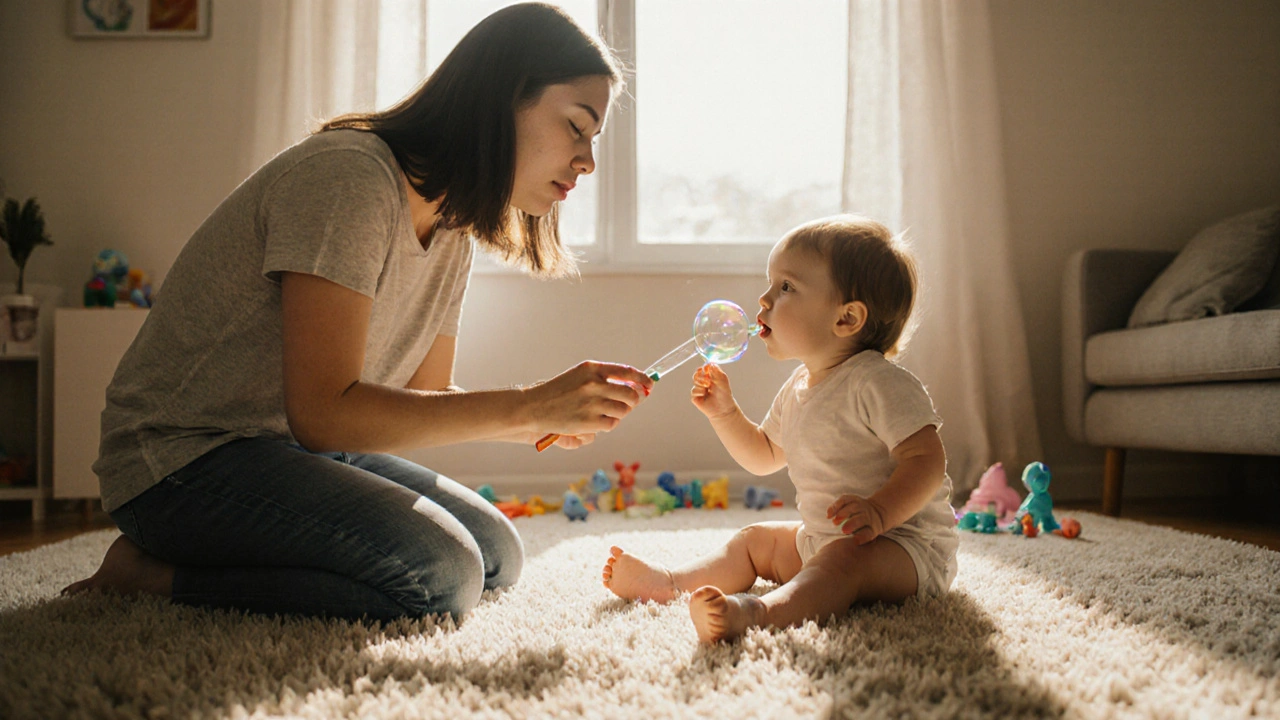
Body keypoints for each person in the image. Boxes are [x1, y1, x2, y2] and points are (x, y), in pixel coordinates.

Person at [63, 3, 653, 622]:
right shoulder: (349, 177)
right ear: (503, 97)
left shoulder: (453, 226)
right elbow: (322, 414)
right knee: (444, 575)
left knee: (498, 554)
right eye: (577, 127)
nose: (587, 161)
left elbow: (427, 396)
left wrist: (538, 420)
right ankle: (152, 576)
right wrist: (529, 404)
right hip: (181, 461)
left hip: (286, 451)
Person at [602, 215, 958, 643]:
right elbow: (764, 454)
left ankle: (758, 613)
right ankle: (671, 582)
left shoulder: (878, 382)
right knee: (755, 541)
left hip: (905, 549)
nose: (764, 298)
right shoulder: (799, 387)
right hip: (823, 539)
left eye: (786, 287)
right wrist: (725, 414)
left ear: (846, 318)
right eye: (770, 284)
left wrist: (880, 512)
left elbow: (927, 460)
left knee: (842, 563)